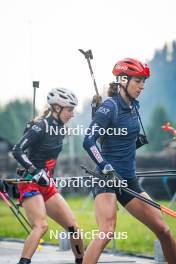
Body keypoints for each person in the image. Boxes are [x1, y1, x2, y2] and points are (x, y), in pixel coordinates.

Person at [83, 58, 176, 264]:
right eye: (138, 81)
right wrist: (105, 166)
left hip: (128, 180)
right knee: (107, 231)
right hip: (106, 178)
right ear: (123, 80)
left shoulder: (134, 106)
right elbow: (89, 141)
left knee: (164, 230)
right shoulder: (109, 107)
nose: (142, 86)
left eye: (144, 81)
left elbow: (122, 141)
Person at [12, 87, 84, 264]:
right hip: (31, 183)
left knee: (74, 228)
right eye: (69, 110)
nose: (72, 114)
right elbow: (17, 150)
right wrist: (34, 171)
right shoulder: (41, 126)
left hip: (47, 184)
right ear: (56, 108)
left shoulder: (61, 129)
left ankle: (82, 261)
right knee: (41, 225)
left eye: (73, 110)